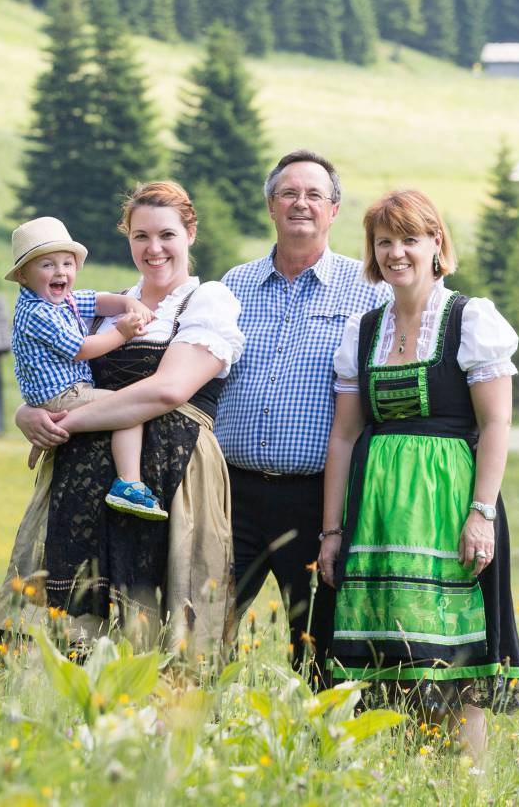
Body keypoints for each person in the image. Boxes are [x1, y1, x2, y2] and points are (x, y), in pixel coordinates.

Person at [0, 182, 246, 656]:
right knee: (71, 630)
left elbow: (168, 390)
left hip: (172, 472)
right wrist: (26, 413)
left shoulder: (208, 302)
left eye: (167, 235)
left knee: (160, 628)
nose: (154, 249)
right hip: (80, 482)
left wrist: (63, 425)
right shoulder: (100, 308)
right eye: (140, 236)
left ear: (191, 234)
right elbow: (54, 378)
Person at [316, 189, 519, 764]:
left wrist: (481, 514)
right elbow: (344, 435)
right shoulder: (364, 331)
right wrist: (331, 531)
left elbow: (498, 421)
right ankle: (406, 779)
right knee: (388, 655)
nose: (396, 252)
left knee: (453, 654)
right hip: (378, 512)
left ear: (437, 244)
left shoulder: (469, 318)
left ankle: (467, 786)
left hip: (447, 505)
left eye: (410, 238)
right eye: (385, 241)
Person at [213, 149, 381, 682]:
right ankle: (190, 737)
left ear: (334, 210)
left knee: (313, 644)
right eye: (288, 193)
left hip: (315, 498)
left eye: (314, 195)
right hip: (229, 493)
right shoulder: (233, 286)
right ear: (270, 206)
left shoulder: (368, 290)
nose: (300, 204)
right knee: (202, 624)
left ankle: (313, 752)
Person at [4, 215, 165, 521]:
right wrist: (122, 333)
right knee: (128, 409)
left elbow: (100, 301)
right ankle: (129, 483)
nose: (60, 271)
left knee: (124, 405)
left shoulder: (62, 301)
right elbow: (81, 350)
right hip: (62, 395)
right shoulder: (38, 313)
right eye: (47, 265)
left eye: (67, 263)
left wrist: (129, 304)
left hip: (67, 393)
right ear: (23, 276)